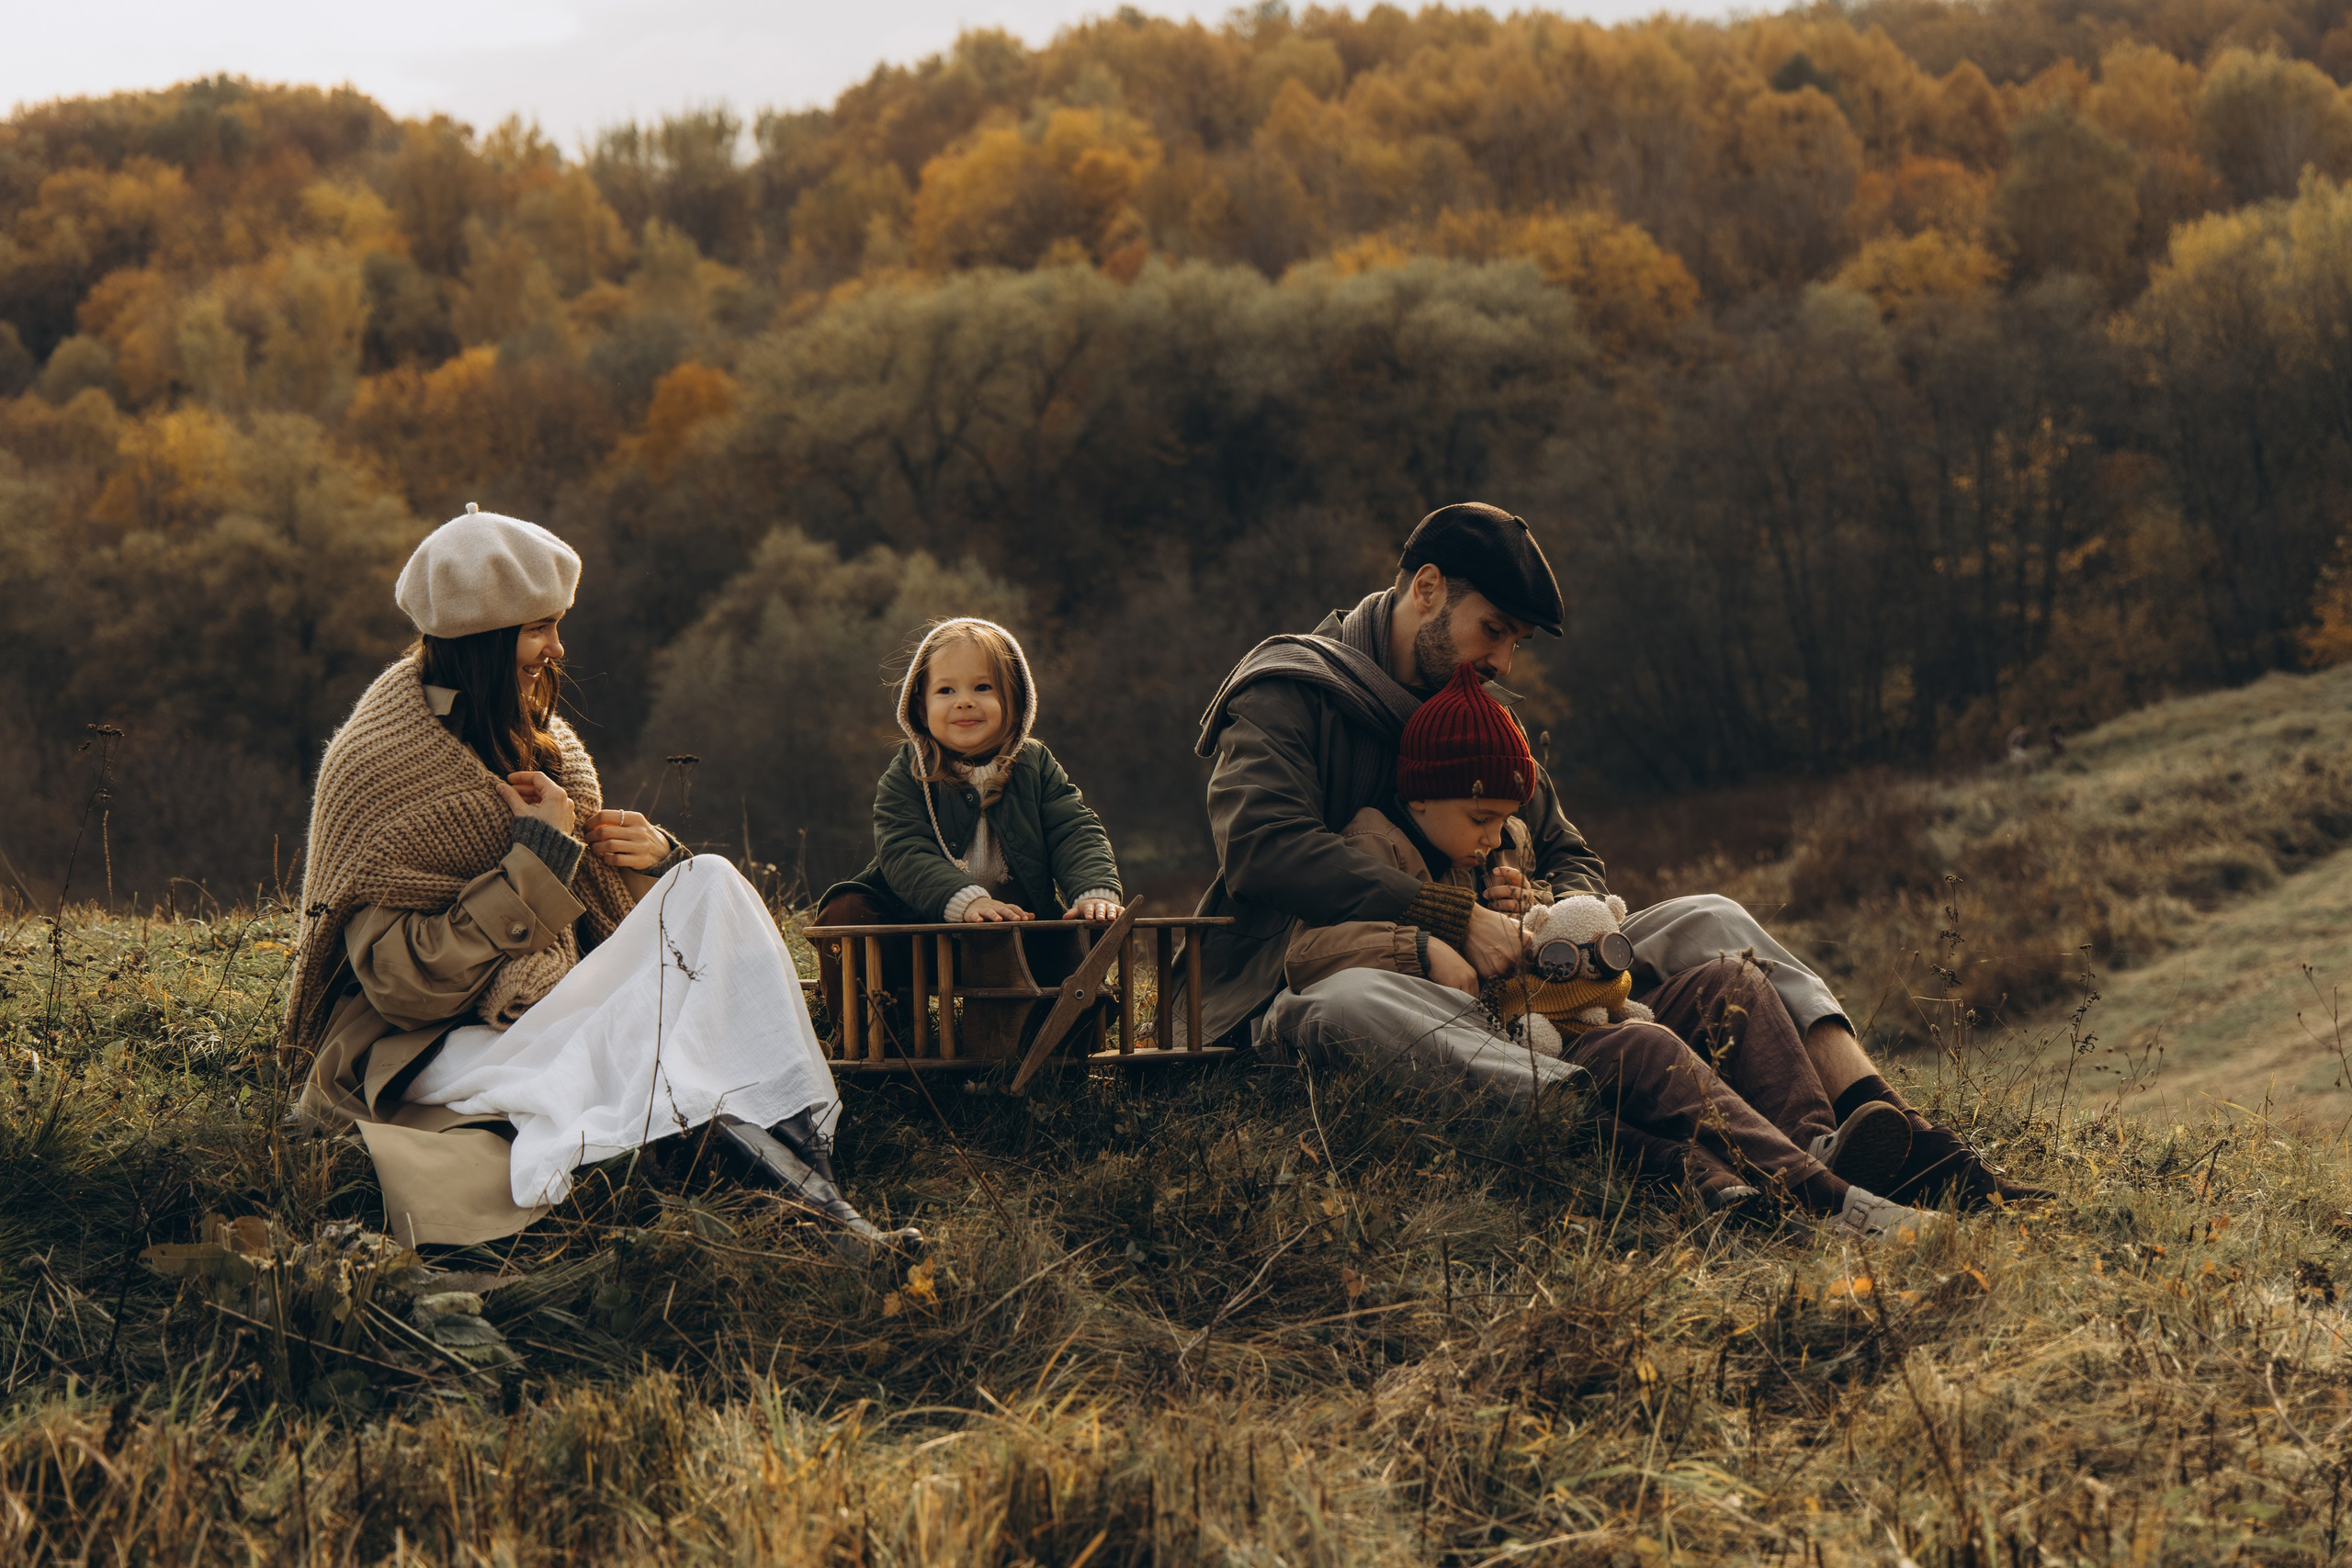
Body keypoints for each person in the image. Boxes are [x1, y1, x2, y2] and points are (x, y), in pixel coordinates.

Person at [1187, 501, 2046, 1210]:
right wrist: (1446, 915)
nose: (1503, 659)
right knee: (1358, 1000)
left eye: (1516, 641)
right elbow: (1263, 848)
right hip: (1326, 974)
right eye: (1494, 629)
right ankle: (1620, 1146)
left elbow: (1570, 848)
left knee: (1713, 918)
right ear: (1426, 587)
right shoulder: (1292, 694)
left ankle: (1892, 1138)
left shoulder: (1481, 707)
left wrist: (1550, 903)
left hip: (1517, 967)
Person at [286, 504, 917, 1256]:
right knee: (648, 1070)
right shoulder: (380, 762)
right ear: (483, 638)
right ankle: (840, 1235)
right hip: (430, 1044)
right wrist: (537, 861)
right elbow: (399, 984)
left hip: (543, 1004)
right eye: (538, 627)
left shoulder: (540, 740)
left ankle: (815, 1184)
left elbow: (598, 925)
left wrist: (657, 863)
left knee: (708, 881)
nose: (556, 647)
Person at [1272, 663, 1940, 1235]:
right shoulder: (1374, 842)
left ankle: (1812, 1141)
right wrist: (1424, 943)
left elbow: (1561, 888)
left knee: (1732, 983)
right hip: (1528, 1042)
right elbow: (1311, 950)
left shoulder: (1503, 840)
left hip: (1577, 1003)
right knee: (1645, 1050)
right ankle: (1835, 1200)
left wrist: (1534, 903)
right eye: (1478, 820)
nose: (1492, 836)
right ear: (1418, 795)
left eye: (1504, 820)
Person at [813, 617, 1124, 1040]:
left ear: (1014, 701)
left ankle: (1056, 1038)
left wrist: (1093, 891)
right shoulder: (909, 772)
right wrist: (965, 900)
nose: (964, 702)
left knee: (1077, 943)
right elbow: (904, 850)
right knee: (845, 912)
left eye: (982, 688)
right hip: (918, 929)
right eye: (946, 691)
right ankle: (878, 1037)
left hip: (1018, 929)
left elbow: (1074, 829)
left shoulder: (1035, 765)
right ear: (921, 708)